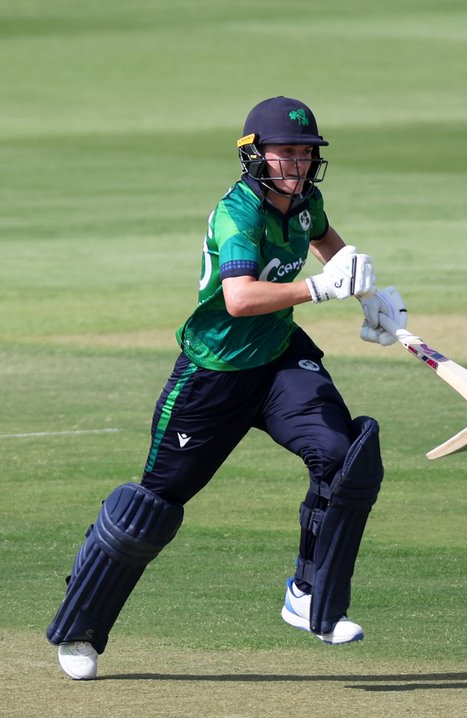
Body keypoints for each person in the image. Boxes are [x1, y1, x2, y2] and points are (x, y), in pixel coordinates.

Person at [46, 96, 409, 680]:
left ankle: (308, 595)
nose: (296, 164)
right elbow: (239, 300)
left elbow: (327, 243)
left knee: (343, 458)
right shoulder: (236, 215)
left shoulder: (305, 202)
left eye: (305, 154)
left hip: (279, 361)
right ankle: (80, 630)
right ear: (254, 156)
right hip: (213, 374)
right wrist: (320, 291)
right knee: (153, 508)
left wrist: (368, 290)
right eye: (285, 153)